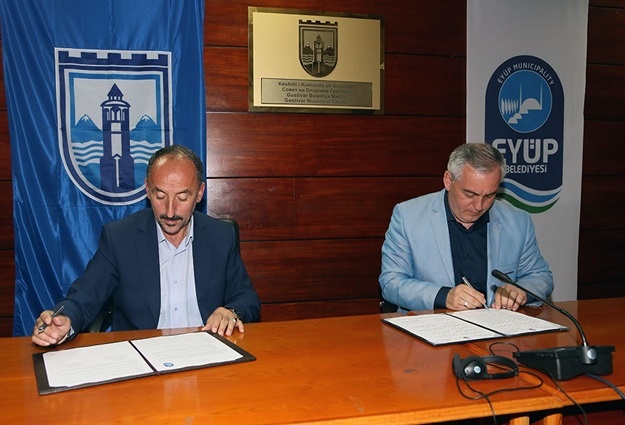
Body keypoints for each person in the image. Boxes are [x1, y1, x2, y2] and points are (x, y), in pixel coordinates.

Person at [33, 145, 260, 346]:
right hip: (143, 353)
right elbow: (85, 295)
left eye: (182, 198)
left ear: (199, 193)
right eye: (160, 196)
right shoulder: (120, 238)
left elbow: (246, 298)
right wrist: (64, 320)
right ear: (147, 190)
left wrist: (230, 312)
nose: (170, 211)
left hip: (206, 350)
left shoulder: (220, 236)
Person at [379, 143, 553, 312]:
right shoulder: (408, 217)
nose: (479, 206)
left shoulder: (518, 221)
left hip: (497, 325)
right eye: (470, 194)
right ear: (448, 181)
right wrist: (443, 296)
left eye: (489, 195)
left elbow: (540, 276)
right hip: (431, 324)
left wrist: (520, 291)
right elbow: (391, 282)